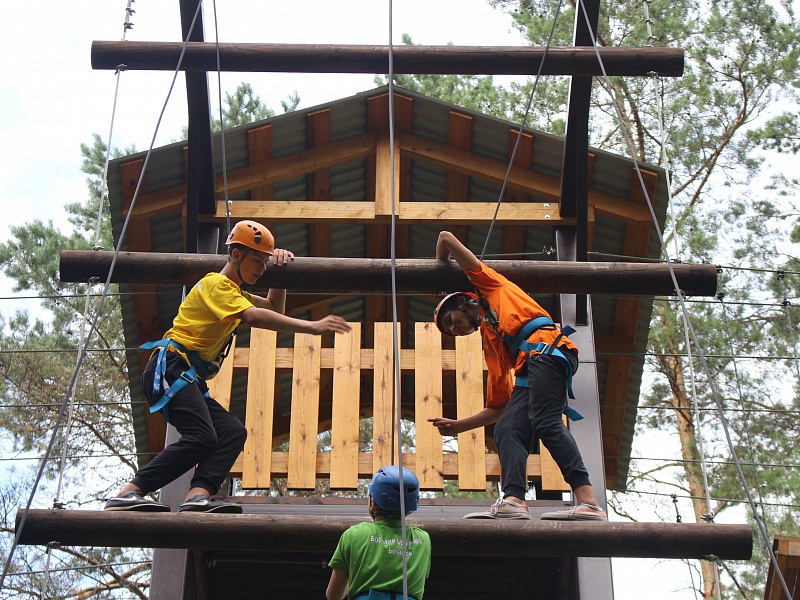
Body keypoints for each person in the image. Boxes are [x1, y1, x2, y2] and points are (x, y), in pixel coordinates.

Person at [104, 220, 352, 514]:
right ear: (236, 254)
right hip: (170, 367)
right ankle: (129, 492)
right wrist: (312, 326)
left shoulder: (236, 293)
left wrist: (280, 273)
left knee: (231, 431)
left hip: (186, 376)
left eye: (264, 263)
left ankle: (198, 496)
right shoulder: (216, 285)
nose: (261, 269)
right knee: (202, 436)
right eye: (257, 261)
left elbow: (273, 309)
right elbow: (254, 318)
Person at [427, 230, 606, 521]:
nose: (456, 329)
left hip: (548, 350)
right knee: (508, 427)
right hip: (533, 364)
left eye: (452, 320)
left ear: (462, 302)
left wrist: (440, 273)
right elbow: (499, 406)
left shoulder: (488, 285)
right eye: (451, 332)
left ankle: (588, 502)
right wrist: (459, 426)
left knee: (545, 421)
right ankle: (513, 500)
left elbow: (445, 238)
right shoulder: (493, 344)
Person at [326, 466, 432, 600]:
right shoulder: (423, 540)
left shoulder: (355, 534)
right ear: (411, 506)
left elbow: (333, 596)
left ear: (373, 503)